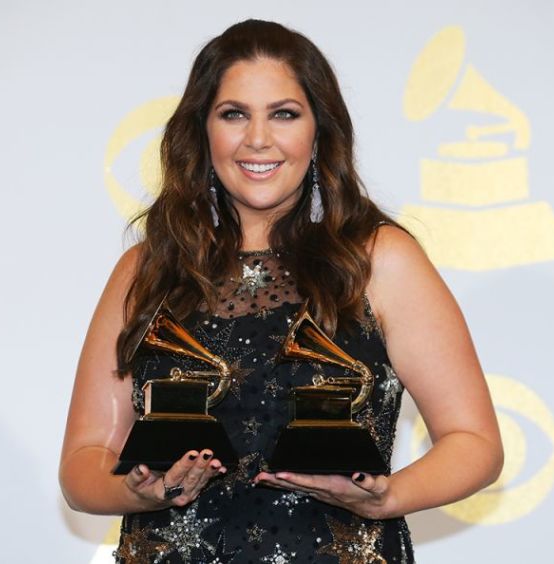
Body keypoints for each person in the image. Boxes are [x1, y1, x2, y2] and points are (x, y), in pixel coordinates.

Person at [60, 19, 503, 563]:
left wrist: (388, 498)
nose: (258, 139)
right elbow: (84, 462)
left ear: (319, 131)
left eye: (284, 114)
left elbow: (474, 442)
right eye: (234, 114)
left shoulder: (377, 260)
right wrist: (134, 490)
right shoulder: (147, 269)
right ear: (202, 131)